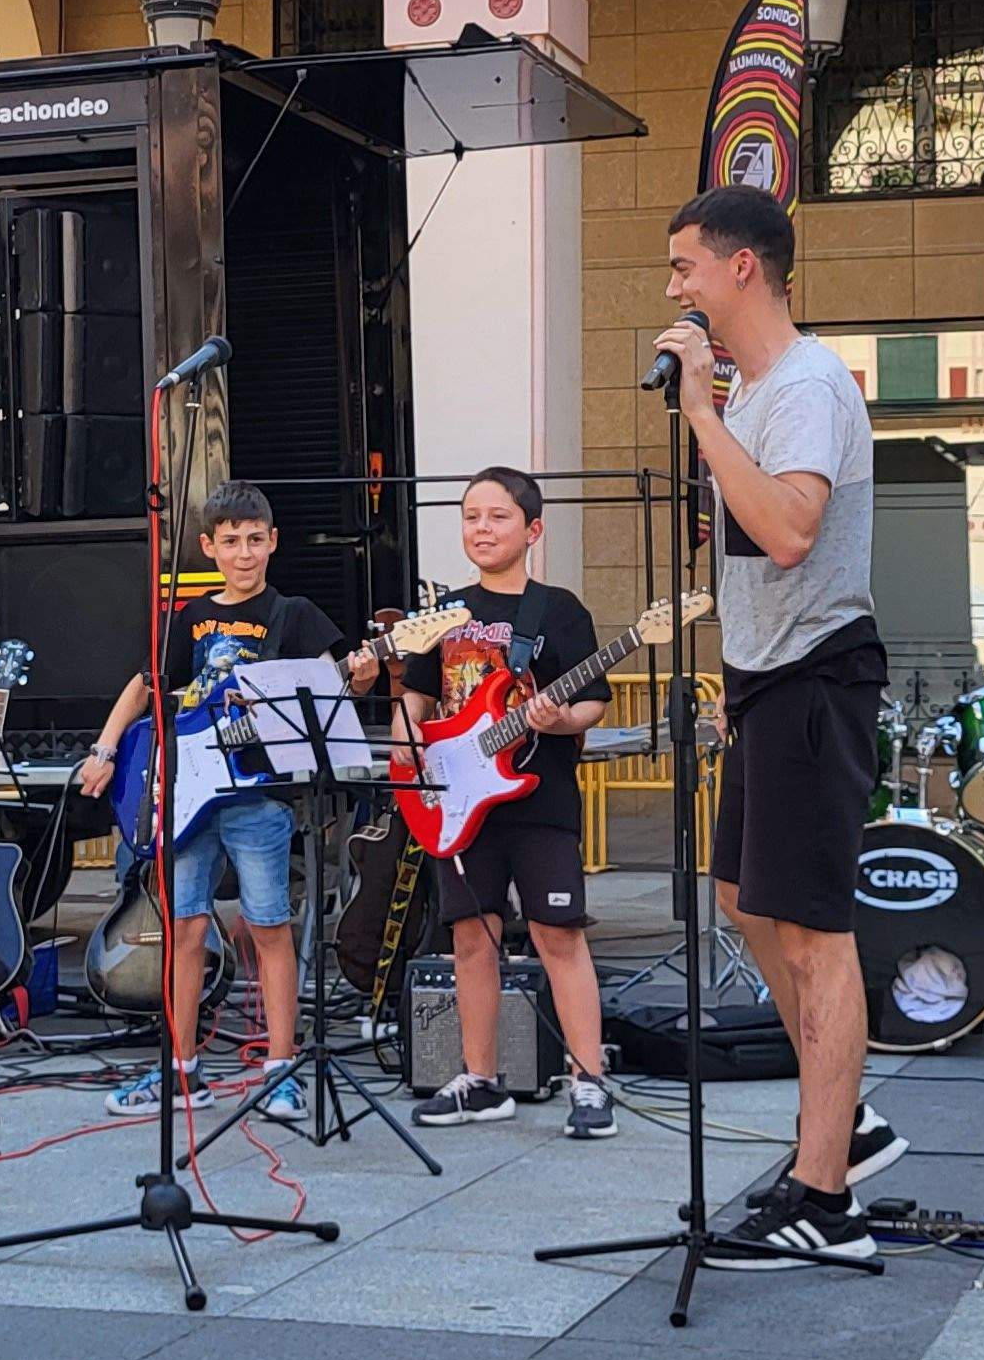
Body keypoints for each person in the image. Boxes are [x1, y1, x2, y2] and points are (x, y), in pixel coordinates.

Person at [653, 183, 900, 1268]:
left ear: (740, 267)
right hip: (760, 680)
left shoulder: (799, 387)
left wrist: (700, 414)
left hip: (814, 677)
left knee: (811, 927)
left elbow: (792, 532)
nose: (673, 288)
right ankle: (842, 1121)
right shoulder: (754, 393)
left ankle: (822, 1193)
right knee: (740, 902)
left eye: (684, 268)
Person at [71, 480, 379, 1124]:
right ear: (208, 546)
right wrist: (104, 751)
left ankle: (281, 1069)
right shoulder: (188, 618)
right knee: (183, 929)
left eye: (255, 541)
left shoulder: (293, 615)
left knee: (270, 927)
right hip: (187, 786)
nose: (244, 554)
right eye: (231, 542)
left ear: (274, 543)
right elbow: (147, 686)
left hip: (257, 794)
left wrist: (364, 672)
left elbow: (330, 689)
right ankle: (181, 1069)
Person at [398, 468, 615, 1140]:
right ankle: (479, 1079)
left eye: (497, 517)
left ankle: (589, 1080)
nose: (482, 529)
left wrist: (556, 718)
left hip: (537, 795)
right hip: (458, 797)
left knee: (558, 935)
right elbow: (419, 697)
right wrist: (406, 747)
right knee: (470, 938)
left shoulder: (557, 611)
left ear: (532, 530)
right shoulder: (445, 611)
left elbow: (593, 701)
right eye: (471, 517)